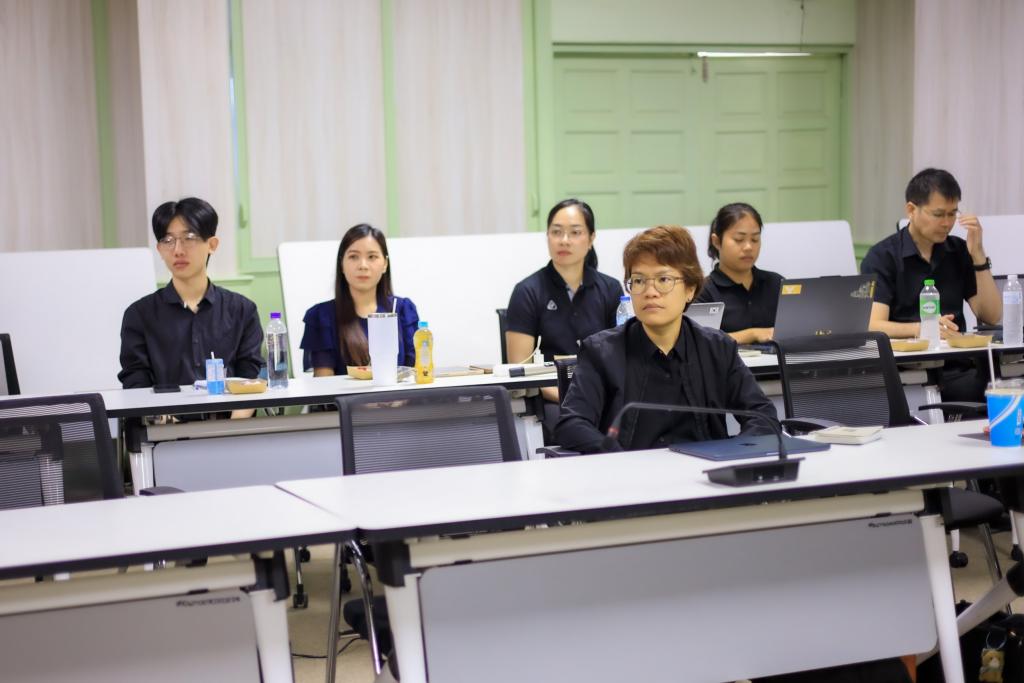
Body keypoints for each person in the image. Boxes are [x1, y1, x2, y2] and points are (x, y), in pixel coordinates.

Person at [555, 225, 778, 453]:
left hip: (705, 469)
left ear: (690, 289)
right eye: (639, 281)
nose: (650, 292)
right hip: (631, 470)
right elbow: (572, 424)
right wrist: (617, 457)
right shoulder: (601, 352)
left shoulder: (717, 348)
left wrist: (734, 453)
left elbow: (763, 416)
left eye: (663, 279)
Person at [860, 168, 1001, 400]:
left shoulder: (958, 250)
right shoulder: (882, 257)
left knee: (1004, 386)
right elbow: (873, 325)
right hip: (909, 371)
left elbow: (992, 316)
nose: (947, 223)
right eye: (938, 214)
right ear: (911, 210)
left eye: (953, 214)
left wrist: (978, 256)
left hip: (959, 365)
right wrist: (923, 328)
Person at [118, 197, 263, 389]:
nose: (178, 250)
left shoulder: (242, 310)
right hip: (164, 410)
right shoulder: (139, 315)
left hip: (226, 408)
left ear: (212, 244)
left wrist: (229, 410)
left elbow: (249, 379)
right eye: (168, 240)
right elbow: (136, 385)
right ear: (160, 250)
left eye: (189, 238)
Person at [506, 198, 622, 403]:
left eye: (575, 232)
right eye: (556, 232)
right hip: (551, 400)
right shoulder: (527, 291)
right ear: (547, 236)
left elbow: (620, 357)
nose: (564, 240)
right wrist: (572, 399)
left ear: (591, 238)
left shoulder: (610, 289)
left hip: (602, 396)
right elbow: (520, 369)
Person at [300, 224, 418, 376]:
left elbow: (414, 374)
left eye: (372, 257)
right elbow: (323, 383)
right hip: (342, 393)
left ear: (385, 264)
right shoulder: (321, 316)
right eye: (354, 257)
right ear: (341, 264)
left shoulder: (403, 310)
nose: (363, 266)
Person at [693, 202, 783, 344]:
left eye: (755, 239)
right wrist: (752, 334)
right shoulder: (703, 291)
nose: (748, 247)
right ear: (716, 241)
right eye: (739, 239)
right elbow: (699, 341)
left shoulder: (776, 283)